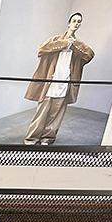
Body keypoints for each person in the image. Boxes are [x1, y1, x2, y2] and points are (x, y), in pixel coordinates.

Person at [23, 12, 94, 146]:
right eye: (74, 21)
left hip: (65, 84)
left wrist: (74, 44)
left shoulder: (78, 45)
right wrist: (65, 43)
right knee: (42, 113)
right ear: (69, 23)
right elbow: (42, 49)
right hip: (50, 83)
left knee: (56, 115)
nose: (76, 24)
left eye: (79, 21)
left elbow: (89, 55)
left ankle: (47, 139)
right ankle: (31, 139)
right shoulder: (56, 39)